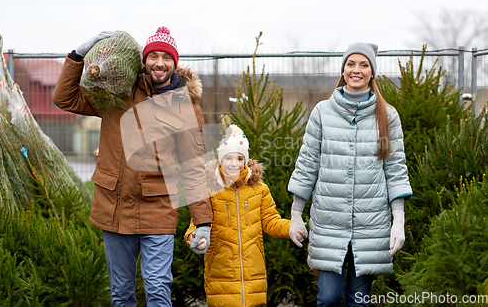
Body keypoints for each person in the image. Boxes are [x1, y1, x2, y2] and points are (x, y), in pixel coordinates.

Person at [53, 27, 212, 306]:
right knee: (122, 294)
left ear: (175, 63)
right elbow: (64, 98)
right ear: (144, 60)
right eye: (153, 56)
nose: (159, 63)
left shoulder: (184, 106)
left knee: (157, 289)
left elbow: (193, 165)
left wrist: (203, 222)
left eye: (166, 57)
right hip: (114, 207)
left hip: (158, 208)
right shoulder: (117, 92)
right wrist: (78, 55)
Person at [287, 43, 413, 307]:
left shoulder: (387, 116)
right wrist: (296, 214)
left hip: (371, 223)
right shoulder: (322, 112)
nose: (357, 70)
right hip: (329, 221)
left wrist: (398, 219)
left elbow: (395, 168)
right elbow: (308, 162)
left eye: (364, 65)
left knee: (358, 302)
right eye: (351, 64)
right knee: (329, 298)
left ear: (372, 72)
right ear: (343, 70)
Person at [185, 124, 305, 307]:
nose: (234, 164)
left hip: (254, 279)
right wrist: (193, 237)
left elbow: (271, 221)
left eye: (239, 158)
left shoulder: (259, 189)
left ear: (246, 160)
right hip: (221, 279)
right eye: (229, 158)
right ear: (220, 160)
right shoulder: (209, 190)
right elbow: (197, 223)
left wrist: (291, 228)